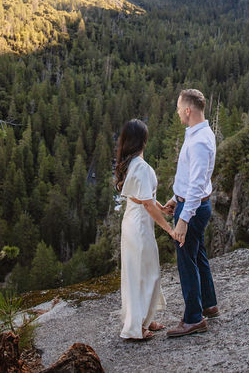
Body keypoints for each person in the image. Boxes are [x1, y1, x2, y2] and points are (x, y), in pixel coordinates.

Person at [163, 88, 219, 338]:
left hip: (193, 208)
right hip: (192, 203)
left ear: (188, 110)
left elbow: (197, 184)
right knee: (198, 256)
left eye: (178, 108)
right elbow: (192, 178)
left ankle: (193, 318)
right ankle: (209, 304)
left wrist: (184, 218)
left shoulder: (198, 141)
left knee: (186, 261)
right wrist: (177, 198)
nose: (177, 112)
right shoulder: (201, 133)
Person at [115, 119, 173, 341]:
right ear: (143, 140)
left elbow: (143, 197)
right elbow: (146, 203)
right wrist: (169, 228)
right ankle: (135, 326)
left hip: (133, 222)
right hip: (139, 226)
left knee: (140, 272)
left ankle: (144, 320)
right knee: (145, 273)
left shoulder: (131, 165)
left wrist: (162, 208)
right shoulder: (141, 167)